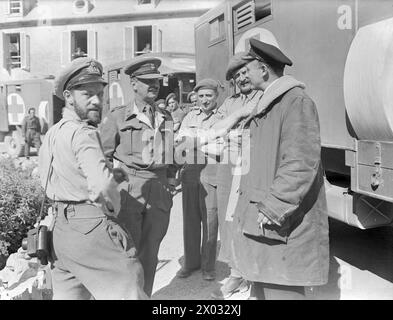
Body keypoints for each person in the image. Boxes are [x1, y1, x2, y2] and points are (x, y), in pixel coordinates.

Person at [223, 38, 329, 300]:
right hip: (263, 225)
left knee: (282, 291)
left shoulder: (295, 101)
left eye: (248, 69)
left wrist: (274, 206)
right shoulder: (268, 102)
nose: (243, 76)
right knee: (264, 289)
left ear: (263, 68)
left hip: (278, 223)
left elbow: (301, 162)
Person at [38, 57, 147, 300]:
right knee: (128, 289)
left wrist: (108, 174)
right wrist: (112, 209)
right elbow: (101, 187)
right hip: (91, 229)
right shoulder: (84, 133)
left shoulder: (54, 132)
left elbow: (44, 176)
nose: (97, 101)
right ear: (68, 96)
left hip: (61, 234)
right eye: (87, 94)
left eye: (100, 93)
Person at [100, 57, 177, 297]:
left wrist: (171, 182)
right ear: (133, 84)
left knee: (151, 250)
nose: (153, 86)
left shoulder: (166, 117)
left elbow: (172, 154)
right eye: (146, 82)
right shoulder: (118, 117)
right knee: (127, 250)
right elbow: (102, 156)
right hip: (130, 188)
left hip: (159, 187)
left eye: (156, 81)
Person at [210, 52, 264, 299]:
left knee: (253, 215)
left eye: (244, 72)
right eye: (237, 75)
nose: (242, 78)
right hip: (229, 165)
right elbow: (212, 131)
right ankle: (235, 274)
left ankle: (256, 275)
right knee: (228, 218)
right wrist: (239, 115)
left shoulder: (265, 97)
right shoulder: (230, 103)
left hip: (256, 163)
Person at [175, 78, 220, 281]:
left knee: (210, 222)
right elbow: (180, 142)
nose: (204, 100)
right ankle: (191, 263)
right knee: (190, 221)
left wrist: (194, 142)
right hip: (191, 174)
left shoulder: (221, 118)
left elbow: (221, 147)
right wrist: (203, 142)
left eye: (208, 95)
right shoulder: (189, 116)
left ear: (216, 97)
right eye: (201, 96)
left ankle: (208, 267)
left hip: (211, 176)